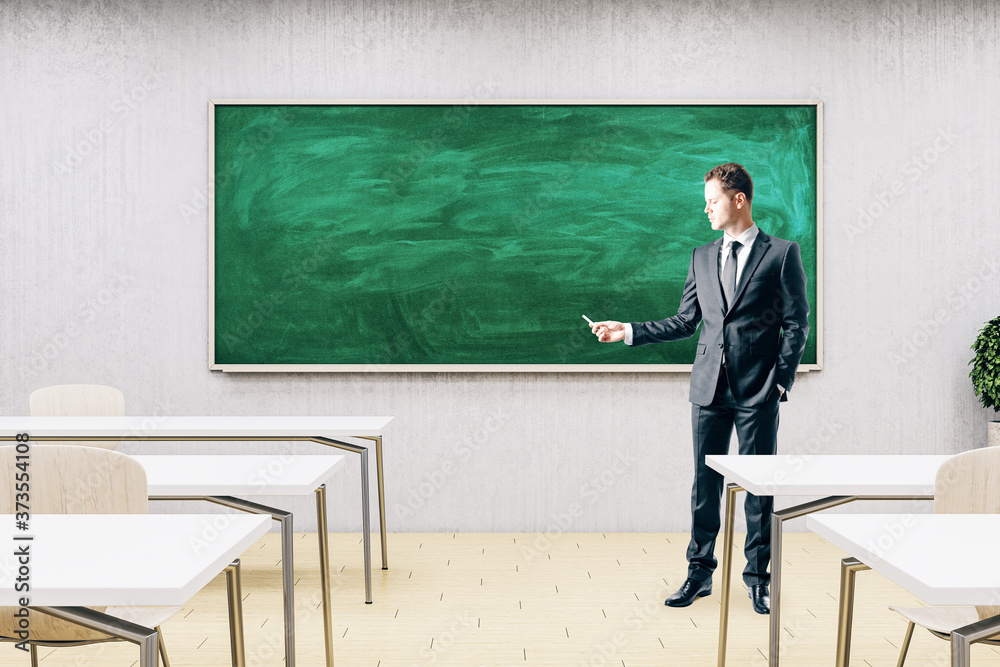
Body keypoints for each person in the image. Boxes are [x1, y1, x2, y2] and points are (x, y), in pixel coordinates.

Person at [591, 163, 809, 615]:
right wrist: (627, 330)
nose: (706, 208)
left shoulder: (782, 254)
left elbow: (796, 323)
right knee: (704, 486)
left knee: (758, 487)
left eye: (712, 200)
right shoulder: (701, 257)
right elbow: (685, 321)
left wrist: (780, 383)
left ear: (738, 200)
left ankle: (758, 579)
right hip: (708, 389)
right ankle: (699, 573)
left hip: (758, 391)